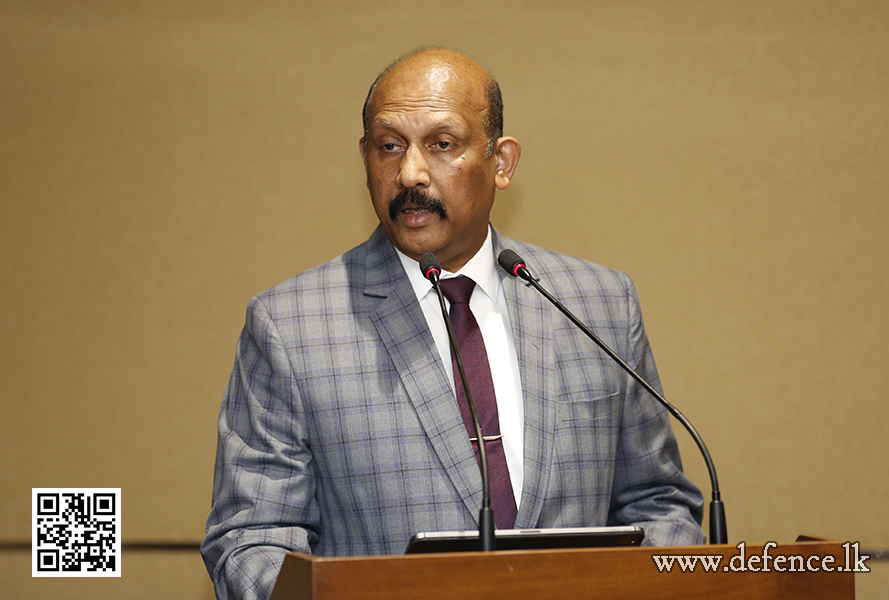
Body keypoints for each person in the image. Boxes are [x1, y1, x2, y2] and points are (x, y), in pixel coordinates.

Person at [201, 48, 705, 600]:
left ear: (502, 162)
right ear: (365, 156)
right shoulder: (291, 326)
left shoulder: (597, 303)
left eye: (442, 145)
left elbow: (658, 503)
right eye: (389, 146)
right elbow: (251, 541)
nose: (409, 173)